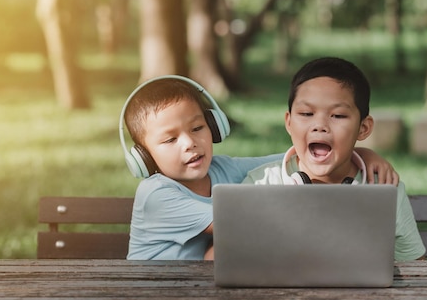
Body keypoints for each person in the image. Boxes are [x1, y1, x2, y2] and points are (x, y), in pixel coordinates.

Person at [121, 75, 400, 260]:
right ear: (144, 156)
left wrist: (356, 151)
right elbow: (238, 223)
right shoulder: (156, 195)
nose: (190, 144)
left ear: (215, 127)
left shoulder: (222, 169)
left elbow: (296, 157)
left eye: (197, 128)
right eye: (170, 139)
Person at [241, 57, 426, 261]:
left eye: (338, 116)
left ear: (363, 129)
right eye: (306, 113)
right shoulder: (259, 184)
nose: (320, 125)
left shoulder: (386, 189)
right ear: (289, 122)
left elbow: (415, 267)